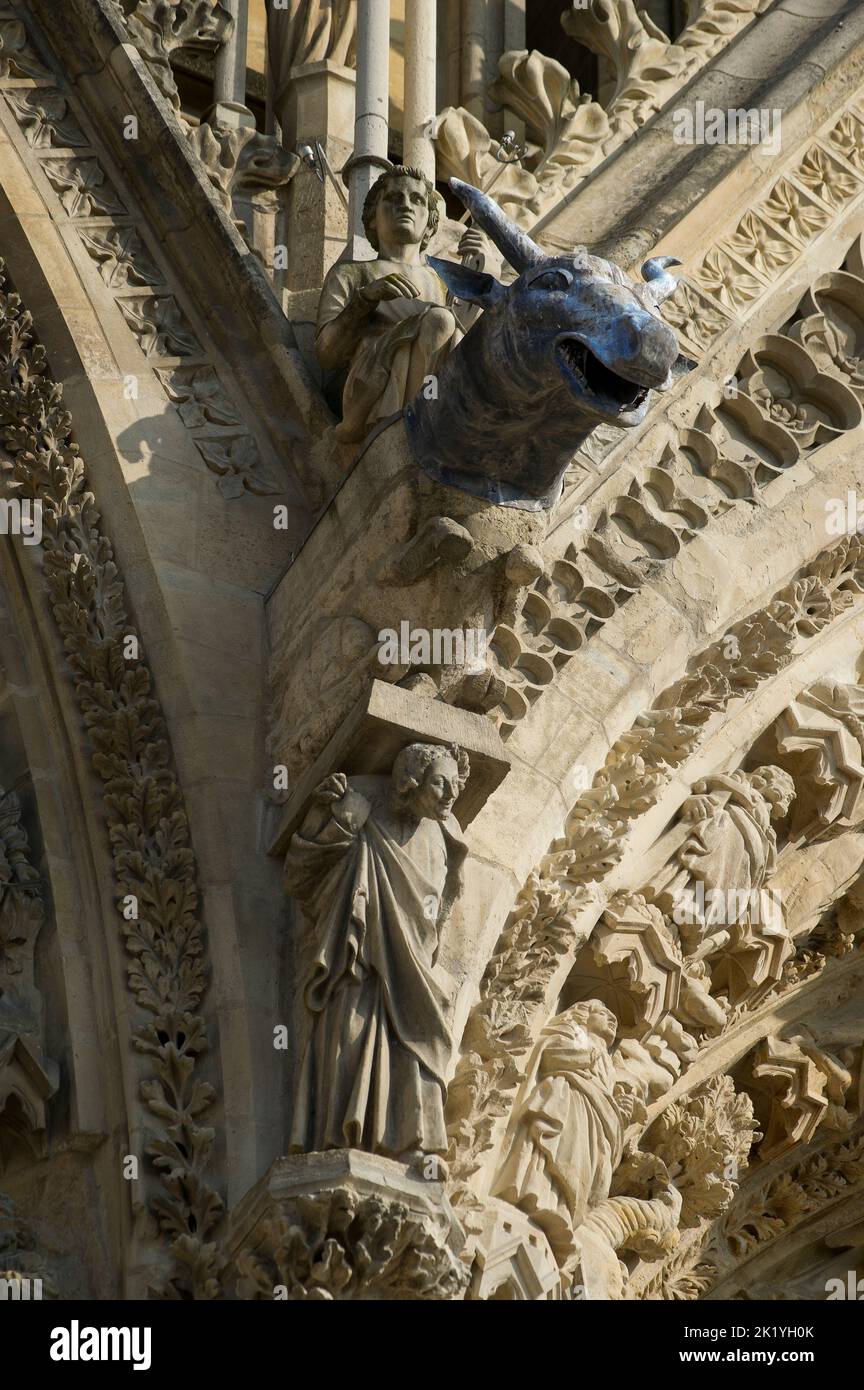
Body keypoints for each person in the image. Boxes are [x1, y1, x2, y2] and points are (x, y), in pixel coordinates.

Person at [285, 742, 469, 1162]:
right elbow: (301, 876)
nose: (450, 795)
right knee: (351, 1032)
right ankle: (339, 1139)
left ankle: (413, 1145)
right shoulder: (362, 806)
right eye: (440, 783)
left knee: (419, 1041)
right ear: (410, 780)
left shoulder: (443, 839)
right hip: (360, 961)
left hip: (415, 968)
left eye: (454, 786)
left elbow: (438, 909)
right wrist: (334, 819)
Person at [316, 166, 471, 442]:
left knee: (448, 326)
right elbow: (326, 355)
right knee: (441, 320)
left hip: (436, 392)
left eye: (417, 200)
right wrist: (365, 300)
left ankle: (434, 421)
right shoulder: (350, 274)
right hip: (369, 391)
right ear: (373, 218)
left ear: (430, 224)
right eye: (394, 198)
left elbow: (466, 347)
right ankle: (409, 425)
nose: (406, 205)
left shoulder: (443, 283)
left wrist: (487, 274)